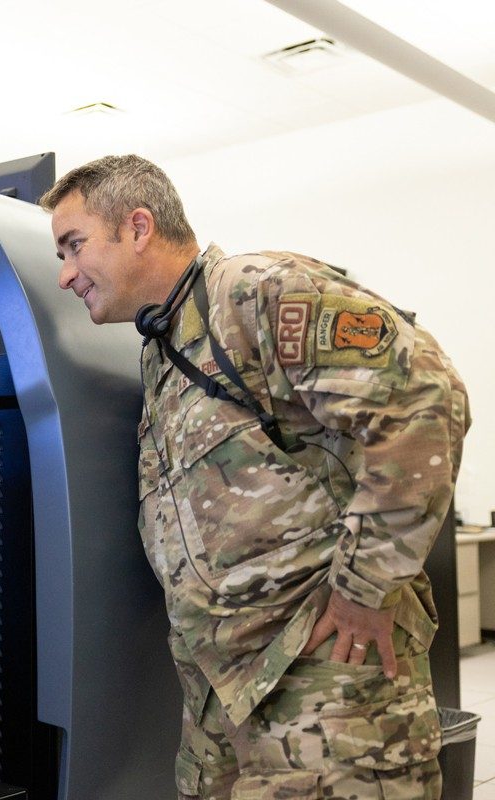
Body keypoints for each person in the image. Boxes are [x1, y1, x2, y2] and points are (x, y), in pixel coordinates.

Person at [41, 155, 468, 799]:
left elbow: (425, 403)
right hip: (226, 691)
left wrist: (365, 588)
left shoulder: (255, 293)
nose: (67, 274)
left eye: (74, 247)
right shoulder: (166, 343)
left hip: (325, 678)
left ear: (137, 227)